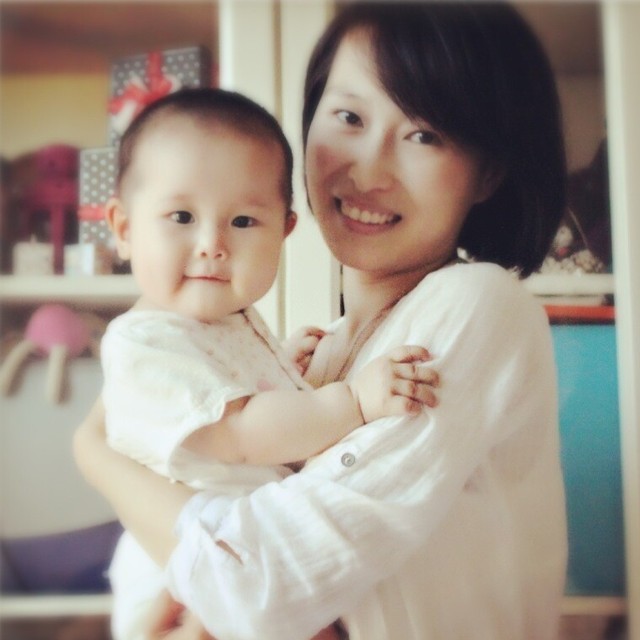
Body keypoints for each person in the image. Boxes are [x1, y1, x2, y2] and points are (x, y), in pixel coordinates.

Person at [74, 2, 568, 639]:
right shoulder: (320, 355)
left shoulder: (478, 304)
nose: (370, 170)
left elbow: (259, 589)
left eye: (424, 135)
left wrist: (97, 457)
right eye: (350, 118)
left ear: (488, 172)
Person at [97, 87, 438, 640]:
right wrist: (352, 401)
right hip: (182, 585)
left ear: (284, 230)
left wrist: (282, 368)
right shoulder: (143, 345)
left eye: (243, 221)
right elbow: (239, 434)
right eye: (181, 216)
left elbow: (232, 394)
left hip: (237, 555)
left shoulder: (223, 320)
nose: (211, 244)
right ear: (124, 228)